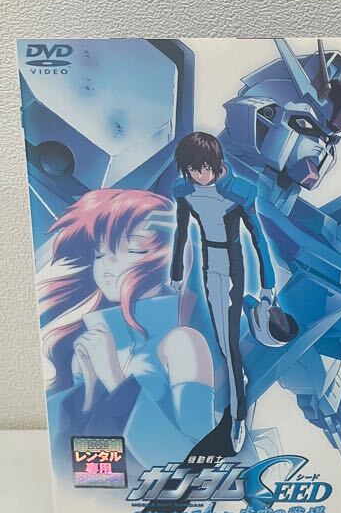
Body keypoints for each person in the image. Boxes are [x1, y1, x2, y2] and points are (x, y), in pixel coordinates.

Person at [39, 189, 216, 474]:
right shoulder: (97, 341)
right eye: (100, 254)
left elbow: (198, 462)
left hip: (160, 495)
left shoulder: (182, 343)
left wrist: (114, 379)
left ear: (170, 258)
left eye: (133, 250)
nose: (106, 267)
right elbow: (76, 465)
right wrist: (89, 392)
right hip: (99, 489)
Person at [170, 131, 276, 448]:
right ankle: (237, 375)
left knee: (229, 345)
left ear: (216, 163)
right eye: (193, 169)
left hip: (232, 267)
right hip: (209, 266)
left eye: (205, 167)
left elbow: (258, 239)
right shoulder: (184, 191)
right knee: (221, 339)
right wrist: (176, 273)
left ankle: (237, 416)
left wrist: (268, 284)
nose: (200, 175)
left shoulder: (239, 192)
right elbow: (181, 232)